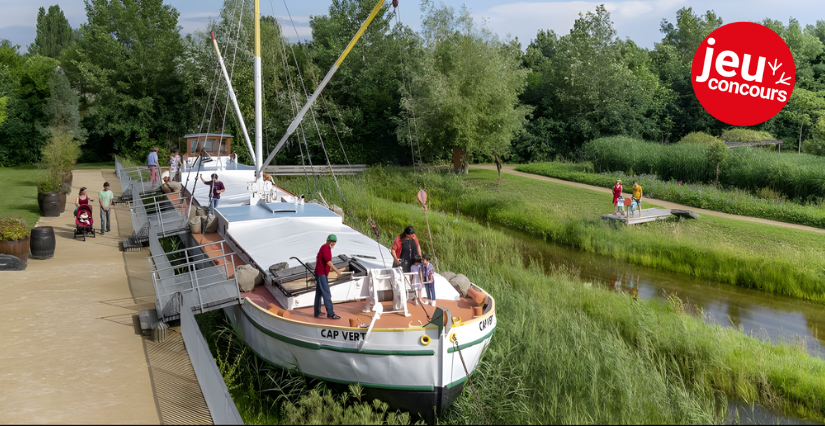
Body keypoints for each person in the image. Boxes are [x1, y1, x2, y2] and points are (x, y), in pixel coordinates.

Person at [314, 235, 343, 320]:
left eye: (334, 242)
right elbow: (328, 261)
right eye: (331, 241)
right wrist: (336, 270)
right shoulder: (326, 248)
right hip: (321, 274)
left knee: (319, 293)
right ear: (328, 241)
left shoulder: (324, 247)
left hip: (320, 273)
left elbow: (318, 258)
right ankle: (330, 313)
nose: (332, 243)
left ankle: (317, 312)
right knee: (327, 293)